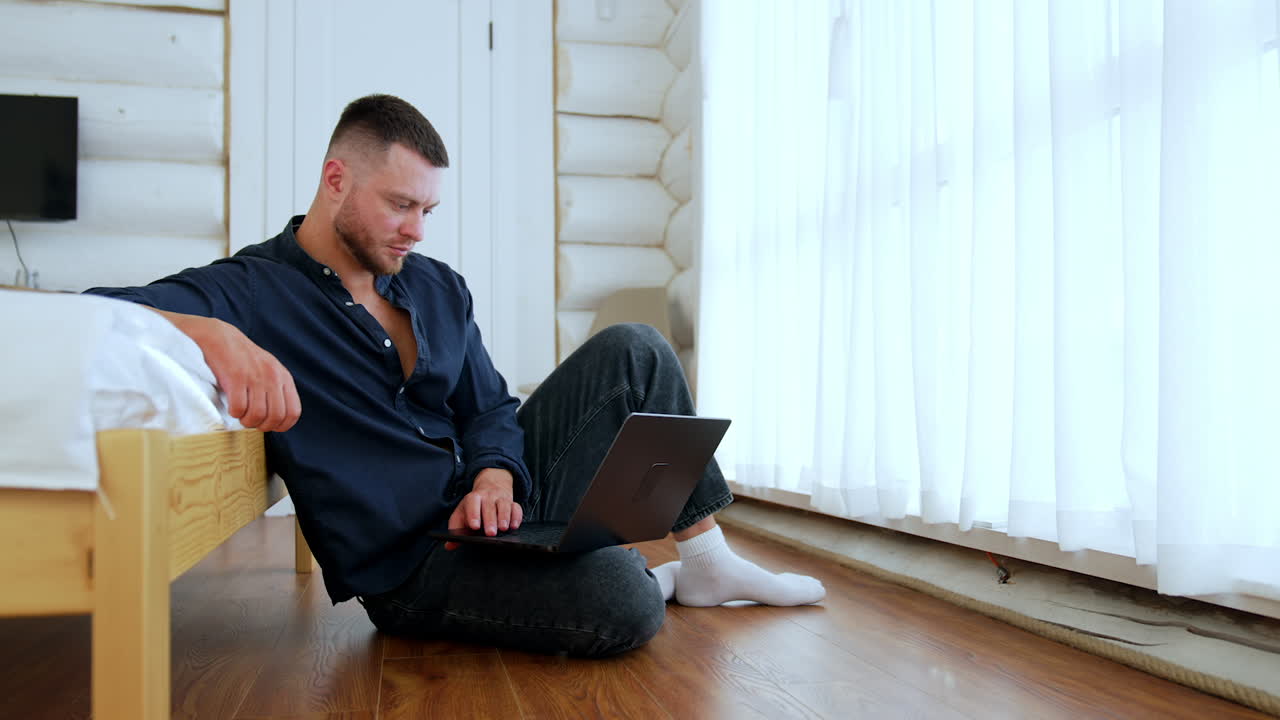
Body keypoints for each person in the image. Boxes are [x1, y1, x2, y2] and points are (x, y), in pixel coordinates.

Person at [86, 94, 824, 657]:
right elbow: (97, 308)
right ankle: (634, 573)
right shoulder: (251, 291)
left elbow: (490, 407)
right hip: (413, 566)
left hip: (490, 505)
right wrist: (213, 332)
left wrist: (495, 476)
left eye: (428, 208)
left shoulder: (436, 284)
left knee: (636, 347)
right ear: (335, 180)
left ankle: (705, 560)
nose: (416, 229)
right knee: (623, 606)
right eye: (401, 205)